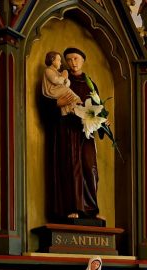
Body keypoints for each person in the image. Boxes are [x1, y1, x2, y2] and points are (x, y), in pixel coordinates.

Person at [47, 46, 100, 221]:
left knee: (89, 167)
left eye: (76, 58)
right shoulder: (61, 80)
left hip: (85, 132)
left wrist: (102, 121)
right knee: (70, 167)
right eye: (68, 59)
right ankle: (72, 207)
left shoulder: (90, 84)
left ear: (82, 60)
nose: (72, 62)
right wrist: (57, 104)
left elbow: (97, 107)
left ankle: (91, 209)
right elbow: (46, 102)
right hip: (67, 131)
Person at [41, 51, 81, 116]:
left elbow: (66, 84)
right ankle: (77, 101)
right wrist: (63, 77)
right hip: (52, 91)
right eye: (59, 60)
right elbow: (55, 81)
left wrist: (66, 78)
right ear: (52, 60)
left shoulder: (57, 72)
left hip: (58, 90)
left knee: (67, 92)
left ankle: (71, 109)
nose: (60, 63)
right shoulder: (48, 70)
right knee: (67, 91)